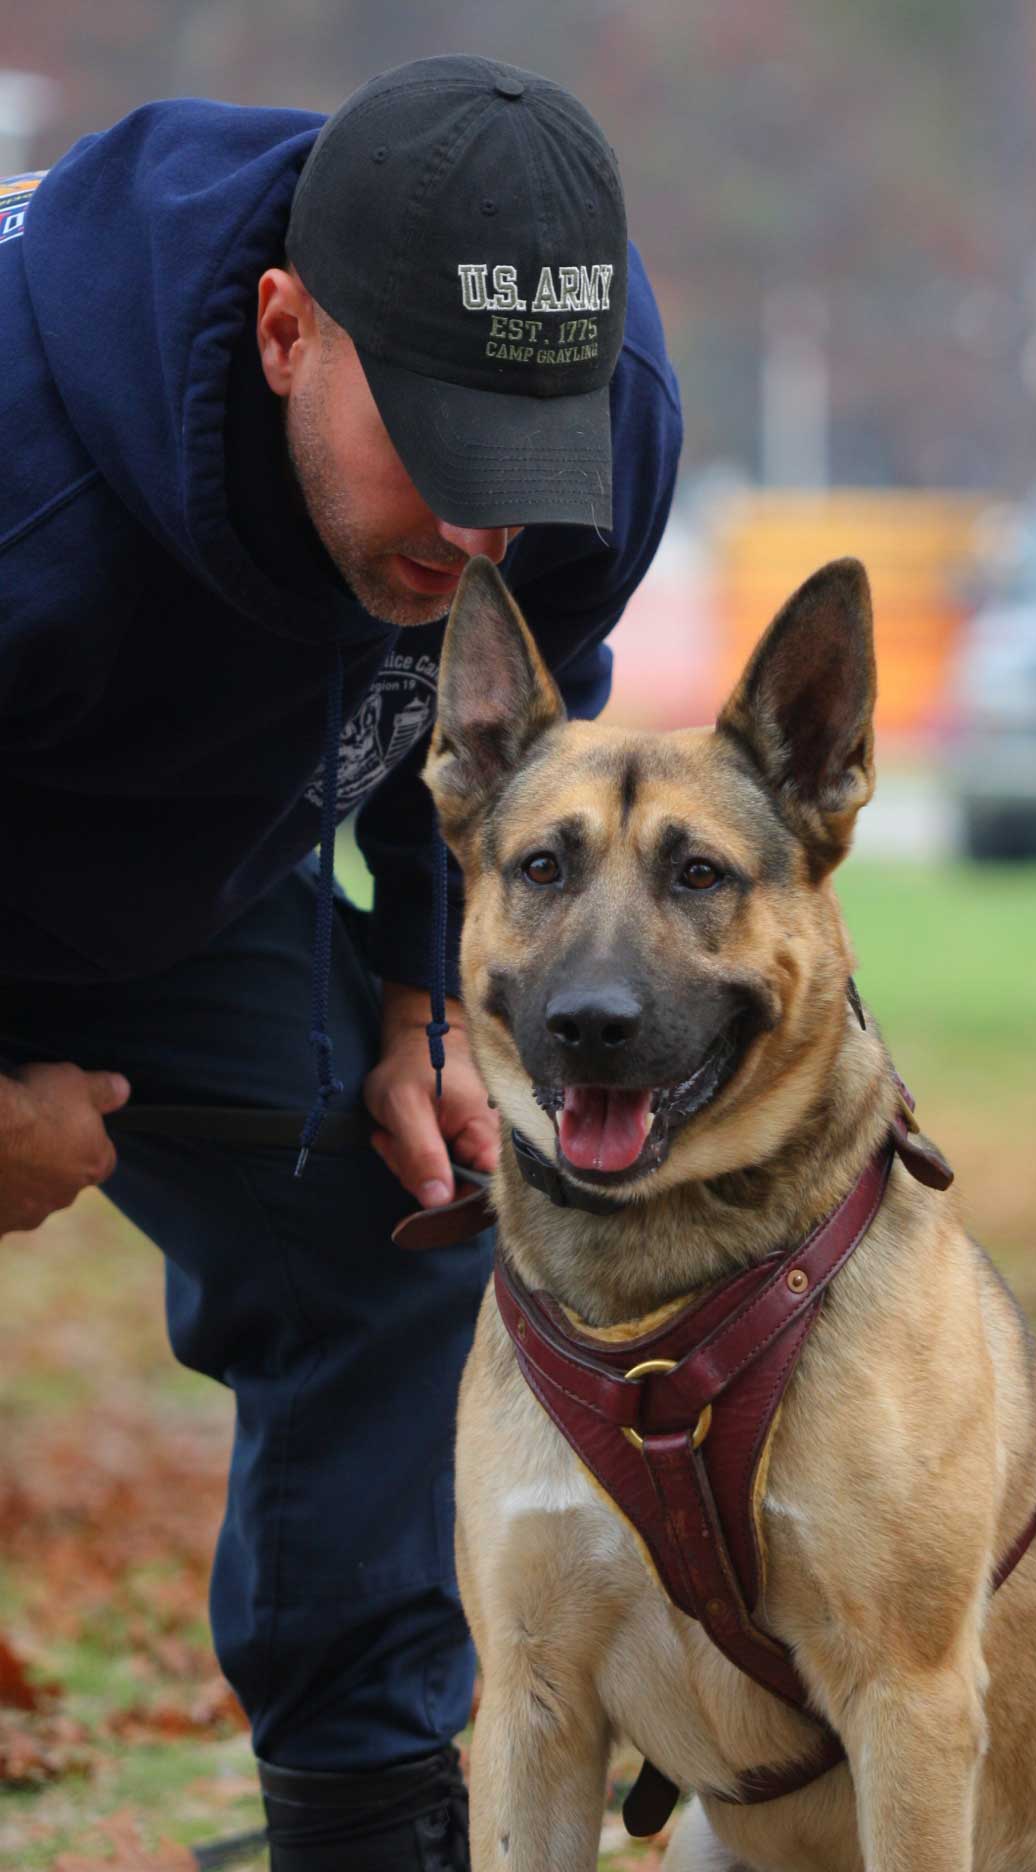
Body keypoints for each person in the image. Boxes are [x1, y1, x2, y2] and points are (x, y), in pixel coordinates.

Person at [0, 54, 682, 1870]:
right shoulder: (25, 482)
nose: (479, 531)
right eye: (440, 461)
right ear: (286, 330)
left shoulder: (601, 448)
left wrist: (414, 1005)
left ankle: (370, 1825)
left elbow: (490, 725)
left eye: (517, 468)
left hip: (179, 876)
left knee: (396, 1227)